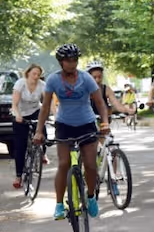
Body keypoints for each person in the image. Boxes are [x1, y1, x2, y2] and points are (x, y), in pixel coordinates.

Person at [33, 44, 110, 220]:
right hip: (64, 125)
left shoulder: (86, 78)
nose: (72, 63)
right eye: (68, 60)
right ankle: (59, 204)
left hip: (86, 123)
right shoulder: (53, 80)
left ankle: (91, 196)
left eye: (75, 60)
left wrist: (104, 122)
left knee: (90, 164)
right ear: (61, 62)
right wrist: (39, 131)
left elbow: (100, 102)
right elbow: (45, 107)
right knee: (64, 163)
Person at [11, 64, 47, 188]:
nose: (36, 77)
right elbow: (14, 104)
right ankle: (18, 176)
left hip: (35, 111)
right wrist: (18, 115)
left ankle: (42, 153)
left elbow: (48, 102)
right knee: (20, 147)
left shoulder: (42, 85)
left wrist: (56, 114)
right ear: (28, 73)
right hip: (20, 114)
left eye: (38, 75)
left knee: (43, 132)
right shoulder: (20, 83)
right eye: (34, 74)